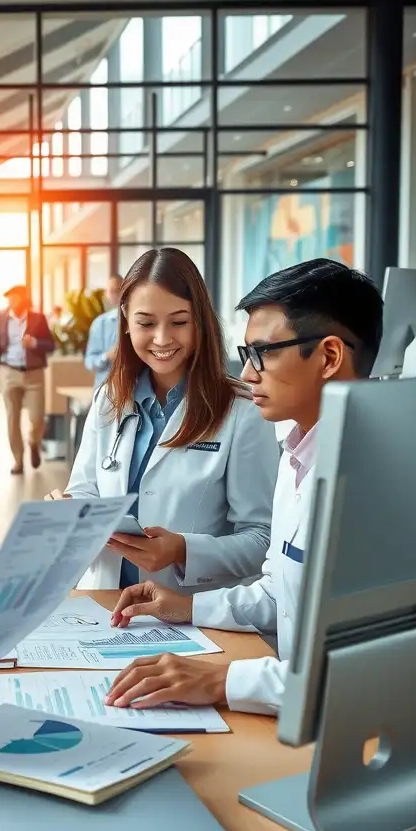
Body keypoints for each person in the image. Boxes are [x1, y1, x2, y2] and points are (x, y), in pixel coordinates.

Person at [105, 258, 383, 716]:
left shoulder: (376, 483)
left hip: (344, 724)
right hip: (297, 712)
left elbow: (366, 673)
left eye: (265, 353)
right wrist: (184, 606)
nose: (250, 374)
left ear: (330, 357)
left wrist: (221, 679)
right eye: (247, 354)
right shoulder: (300, 457)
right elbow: (277, 594)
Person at [45, 248, 278, 593]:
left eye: (179, 322)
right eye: (146, 323)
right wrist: (70, 511)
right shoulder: (109, 399)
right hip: (104, 603)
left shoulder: (242, 411)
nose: (162, 339)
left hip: (189, 612)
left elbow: (262, 540)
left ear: (200, 321)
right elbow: (85, 489)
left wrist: (182, 551)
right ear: (125, 320)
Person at [0, 284, 56, 474]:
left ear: (23, 298)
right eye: (9, 297)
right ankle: (18, 460)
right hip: (8, 372)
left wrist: (34, 343)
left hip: (33, 373)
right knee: (12, 418)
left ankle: (34, 442)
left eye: (15, 297)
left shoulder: (38, 318)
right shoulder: (1, 319)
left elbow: (51, 345)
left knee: (37, 418)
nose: (11, 300)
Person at [83, 273, 124, 389]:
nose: (115, 294)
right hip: (105, 390)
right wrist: (106, 356)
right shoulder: (100, 324)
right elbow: (89, 362)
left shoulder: (138, 321)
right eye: (111, 291)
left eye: (118, 290)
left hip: (135, 391)